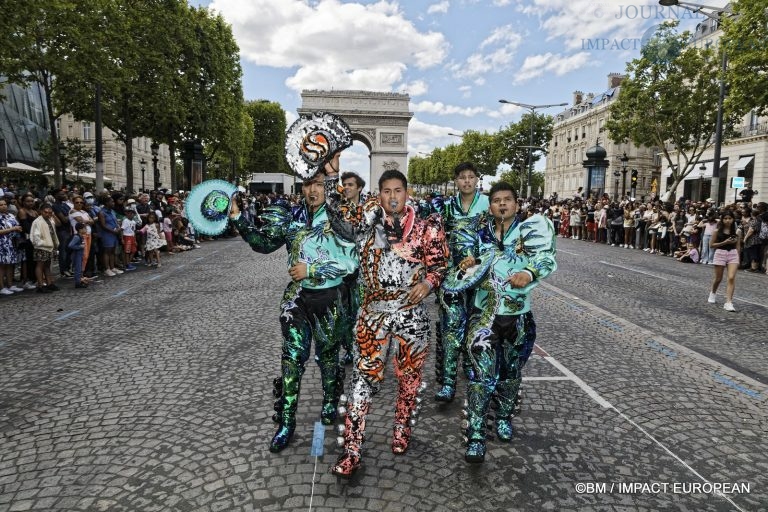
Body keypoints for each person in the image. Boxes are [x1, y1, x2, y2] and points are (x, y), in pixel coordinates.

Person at [323, 159, 448, 476]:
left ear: (407, 194)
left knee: (409, 380)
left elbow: (439, 266)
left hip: (412, 316)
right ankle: (351, 450)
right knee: (361, 382)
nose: (393, 197)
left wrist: (428, 283)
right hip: (372, 315)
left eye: (398, 191)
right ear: (378, 195)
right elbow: (337, 219)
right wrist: (331, 177)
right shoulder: (365, 222)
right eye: (386, 191)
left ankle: (402, 427)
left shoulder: (427, 227)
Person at [228, 173, 356, 453]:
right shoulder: (292, 218)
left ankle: (331, 401)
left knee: (328, 357)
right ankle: (286, 423)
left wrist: (313, 270)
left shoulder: (340, 220)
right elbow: (263, 244)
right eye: (308, 184)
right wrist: (238, 217)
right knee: (291, 361)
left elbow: (352, 261)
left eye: (319, 184)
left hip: (330, 298)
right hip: (297, 299)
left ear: (328, 188)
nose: (313, 190)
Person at [453, 182, 556, 462]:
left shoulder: (529, 231)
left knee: (511, 372)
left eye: (507, 200)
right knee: (479, 376)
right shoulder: (478, 232)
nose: (501, 204)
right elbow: (465, 260)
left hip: (517, 315)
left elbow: (545, 258)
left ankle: (504, 417)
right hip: (483, 316)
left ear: (516, 204)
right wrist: (467, 262)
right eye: (496, 200)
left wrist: (530, 271)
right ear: (490, 205)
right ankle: (475, 434)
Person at [434, 162, 489, 402]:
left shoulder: (488, 204)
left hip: (480, 274)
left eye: (471, 177)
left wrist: (478, 259)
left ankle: (469, 362)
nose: (467, 181)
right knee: (450, 328)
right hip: (452, 276)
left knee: (474, 324)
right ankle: (447, 382)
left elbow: (493, 239)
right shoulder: (446, 207)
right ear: (456, 180)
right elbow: (438, 239)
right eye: (462, 177)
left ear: (477, 180)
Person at [339, 171, 366, 366]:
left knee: (361, 312)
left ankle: (364, 349)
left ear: (359, 188)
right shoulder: (337, 210)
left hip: (363, 272)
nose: (346, 188)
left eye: (350, 185)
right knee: (344, 313)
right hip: (341, 271)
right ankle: (349, 349)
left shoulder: (370, 210)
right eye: (344, 184)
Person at [708, 210, 740, 312]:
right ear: (722, 220)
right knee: (718, 278)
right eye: (725, 218)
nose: (728, 221)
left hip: (733, 254)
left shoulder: (737, 231)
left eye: (730, 218)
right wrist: (725, 242)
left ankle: (728, 302)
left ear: (733, 219)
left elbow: (738, 246)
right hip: (720, 253)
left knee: (731, 278)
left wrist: (738, 257)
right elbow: (711, 245)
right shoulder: (717, 231)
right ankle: (713, 292)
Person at [30, 203, 60, 293]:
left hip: (50, 246)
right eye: (46, 212)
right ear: (41, 212)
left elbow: (56, 227)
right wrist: (42, 243)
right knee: (40, 265)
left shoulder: (50, 220)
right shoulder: (37, 221)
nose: (48, 214)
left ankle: (49, 283)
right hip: (42, 247)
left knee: (47, 265)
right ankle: (40, 284)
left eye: (50, 212)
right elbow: (35, 236)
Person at [0, 198, 24, 295]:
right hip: (2, 244)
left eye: (5, 204)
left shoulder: (10, 215)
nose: (3, 206)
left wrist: (18, 229)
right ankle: (2, 287)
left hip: (11, 242)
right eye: (1, 205)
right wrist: (13, 229)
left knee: (10, 265)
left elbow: (18, 225)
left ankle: (10, 284)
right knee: (2, 266)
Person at [99, 196, 124, 277]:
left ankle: (112, 267)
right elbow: (103, 225)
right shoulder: (102, 212)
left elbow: (116, 221)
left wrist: (118, 228)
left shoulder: (112, 211)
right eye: (112, 201)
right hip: (107, 234)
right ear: (106, 203)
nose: (113, 203)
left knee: (113, 251)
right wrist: (113, 231)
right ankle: (107, 269)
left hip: (114, 233)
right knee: (107, 251)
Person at [68, 222, 90, 288]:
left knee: (80, 268)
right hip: (76, 255)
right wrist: (80, 247)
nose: (86, 230)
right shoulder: (77, 237)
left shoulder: (81, 236)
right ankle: (78, 283)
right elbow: (70, 245)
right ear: (80, 230)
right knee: (77, 269)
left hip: (80, 255)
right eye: (84, 229)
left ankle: (80, 280)